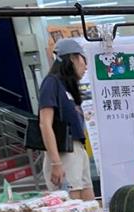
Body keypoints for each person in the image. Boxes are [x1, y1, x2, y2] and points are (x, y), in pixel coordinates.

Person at [38, 38, 92, 200]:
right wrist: (56, 163)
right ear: (72, 58)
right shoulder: (51, 83)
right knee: (72, 205)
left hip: (78, 150)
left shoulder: (66, 86)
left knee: (89, 203)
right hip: (63, 153)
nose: (86, 66)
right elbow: (45, 124)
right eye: (83, 59)